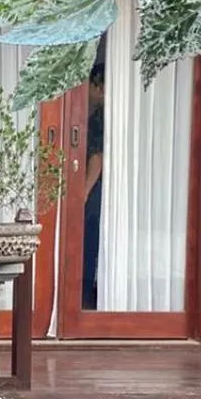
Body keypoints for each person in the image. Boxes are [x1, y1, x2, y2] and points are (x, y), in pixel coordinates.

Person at [82, 59, 105, 310]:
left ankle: (87, 291)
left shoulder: (101, 116)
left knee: (90, 238)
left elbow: (98, 156)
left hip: (97, 190)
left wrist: (84, 192)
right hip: (102, 189)